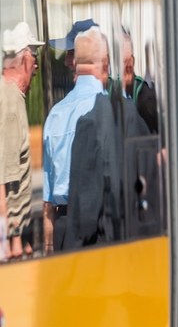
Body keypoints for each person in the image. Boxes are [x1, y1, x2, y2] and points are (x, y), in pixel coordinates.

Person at [42, 27, 110, 252]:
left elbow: (48, 204)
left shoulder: (55, 115)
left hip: (64, 227)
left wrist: (50, 246)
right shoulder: (107, 106)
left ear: (75, 60)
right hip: (100, 225)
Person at [0, 22, 44, 260]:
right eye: (35, 56)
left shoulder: (10, 96)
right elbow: (3, 177)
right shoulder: (10, 103)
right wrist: (11, 242)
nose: (36, 65)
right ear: (25, 60)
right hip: (10, 245)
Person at [121, 29, 159, 133]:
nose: (127, 67)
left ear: (133, 61)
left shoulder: (146, 98)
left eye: (129, 62)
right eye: (123, 63)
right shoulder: (111, 94)